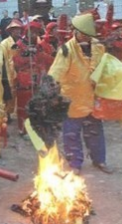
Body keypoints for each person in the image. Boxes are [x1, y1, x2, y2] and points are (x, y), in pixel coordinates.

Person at [47, 13, 113, 175]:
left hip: (92, 99)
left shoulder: (98, 46)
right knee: (71, 134)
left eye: (89, 35)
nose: (86, 38)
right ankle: (75, 163)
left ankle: (100, 160)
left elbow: (105, 67)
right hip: (72, 100)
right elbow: (55, 73)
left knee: (95, 131)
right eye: (82, 34)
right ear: (75, 32)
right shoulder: (67, 49)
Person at [13, 21, 54, 135]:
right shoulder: (19, 45)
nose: (35, 35)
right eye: (32, 32)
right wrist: (27, 56)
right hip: (24, 80)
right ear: (27, 32)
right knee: (24, 106)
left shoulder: (38, 46)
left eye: (37, 32)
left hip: (36, 80)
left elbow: (44, 60)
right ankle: (24, 130)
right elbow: (16, 63)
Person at [1, 19, 23, 123]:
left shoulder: (21, 42)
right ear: (11, 31)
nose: (18, 32)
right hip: (8, 72)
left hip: (19, 71)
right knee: (8, 94)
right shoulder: (4, 43)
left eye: (19, 30)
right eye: (15, 30)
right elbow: (3, 59)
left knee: (16, 95)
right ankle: (7, 114)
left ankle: (13, 112)